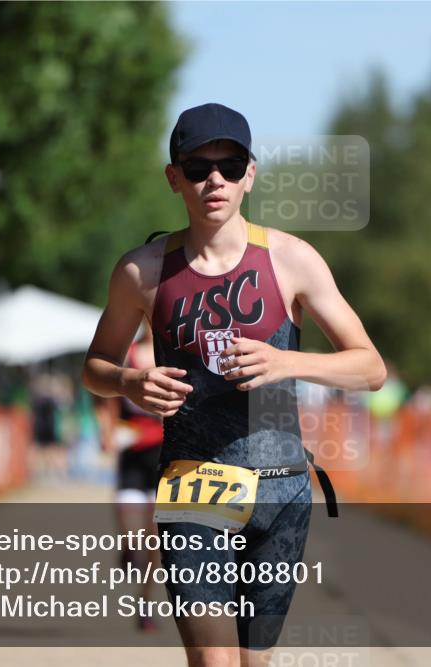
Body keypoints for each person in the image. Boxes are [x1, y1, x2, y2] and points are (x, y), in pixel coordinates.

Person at [82, 102, 386, 667]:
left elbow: (370, 368)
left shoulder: (293, 259)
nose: (214, 180)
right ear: (174, 178)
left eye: (230, 165)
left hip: (282, 490)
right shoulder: (142, 271)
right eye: (198, 168)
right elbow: (94, 367)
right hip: (194, 485)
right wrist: (129, 381)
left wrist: (287, 362)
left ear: (251, 174)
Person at [107, 323, 164, 632]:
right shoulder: (128, 354)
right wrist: (107, 428)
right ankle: (129, 547)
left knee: (155, 539)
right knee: (128, 520)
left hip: (163, 453)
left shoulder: (174, 354)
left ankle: (145, 604)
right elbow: (107, 394)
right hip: (131, 447)